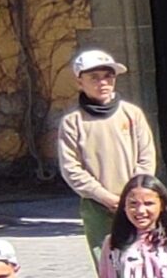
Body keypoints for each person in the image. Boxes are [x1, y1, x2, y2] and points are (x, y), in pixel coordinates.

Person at [55, 49, 159, 261]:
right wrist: (104, 197)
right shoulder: (73, 122)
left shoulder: (132, 114)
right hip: (97, 205)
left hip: (137, 200)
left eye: (108, 76)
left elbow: (146, 156)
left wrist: (133, 194)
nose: (103, 83)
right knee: (108, 262)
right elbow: (71, 168)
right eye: (94, 77)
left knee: (145, 260)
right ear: (79, 82)